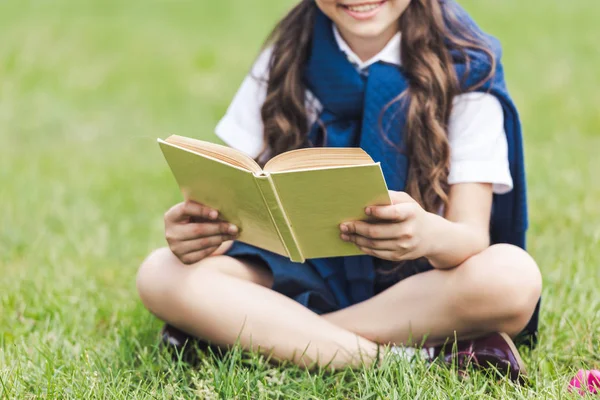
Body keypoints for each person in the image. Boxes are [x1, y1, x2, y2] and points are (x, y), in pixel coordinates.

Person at [136, 0, 542, 381]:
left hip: (414, 287)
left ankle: (261, 337)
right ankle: (408, 360)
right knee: (161, 273)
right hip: (301, 274)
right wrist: (197, 229)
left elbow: (471, 236)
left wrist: (425, 234)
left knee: (512, 276)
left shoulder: (466, 65)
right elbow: (233, 190)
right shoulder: (291, 52)